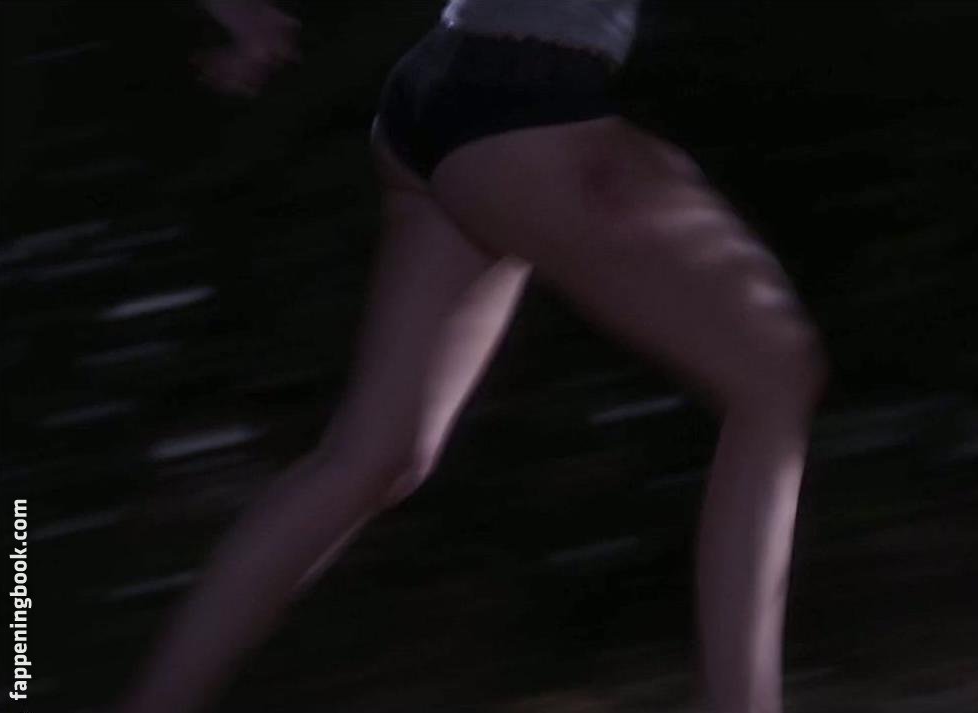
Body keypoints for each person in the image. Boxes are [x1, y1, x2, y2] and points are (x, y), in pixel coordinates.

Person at [120, 1, 829, 712]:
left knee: (375, 456)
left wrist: (242, 14)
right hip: (533, 106)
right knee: (775, 375)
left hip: (440, 94)